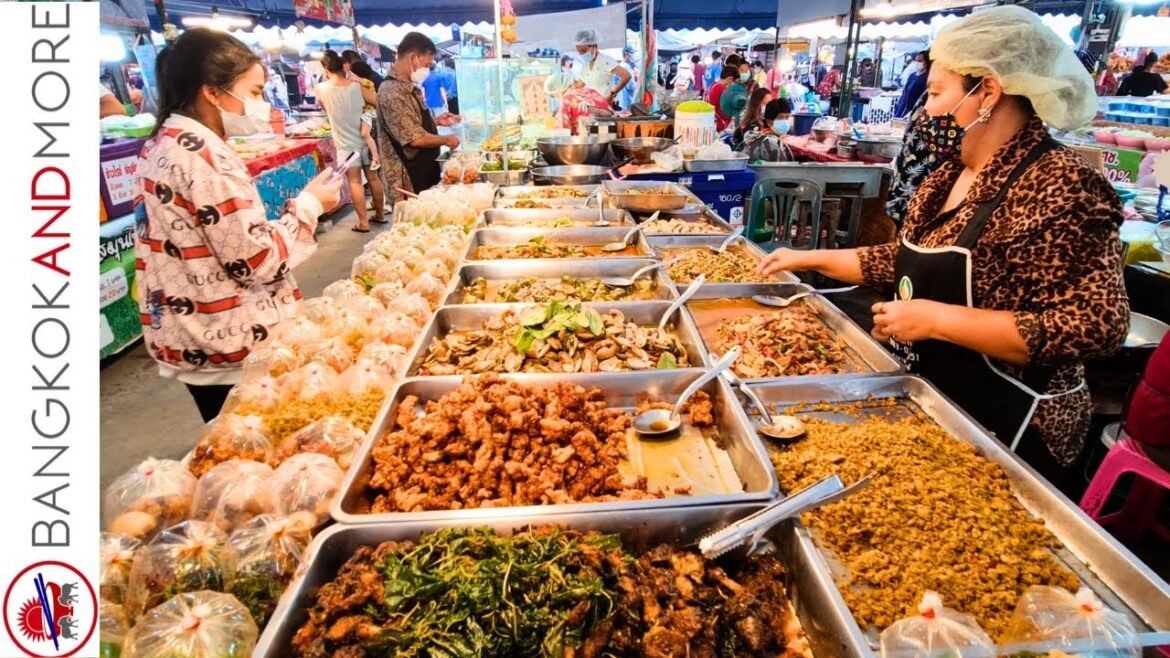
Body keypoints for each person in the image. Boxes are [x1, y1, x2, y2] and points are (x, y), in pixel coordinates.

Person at [758, 6, 1128, 486]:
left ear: (988, 92)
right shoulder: (947, 176)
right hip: (937, 400)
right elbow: (909, 258)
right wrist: (810, 258)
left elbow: (1095, 325)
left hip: (1012, 428)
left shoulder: (1060, 183)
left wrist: (937, 320)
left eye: (935, 93)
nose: (924, 110)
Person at [134, 28, 341, 421]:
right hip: (226, 337)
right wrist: (311, 206)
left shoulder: (163, 141)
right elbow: (255, 259)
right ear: (212, 92)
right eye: (255, 92)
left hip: (190, 332)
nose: (262, 105)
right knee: (254, 441)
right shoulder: (204, 155)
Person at [377, 31, 460, 204]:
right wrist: (446, 139)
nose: (428, 69)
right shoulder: (392, 91)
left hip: (423, 170)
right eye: (427, 64)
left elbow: (413, 124)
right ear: (413, 57)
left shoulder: (409, 87)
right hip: (407, 179)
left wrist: (436, 122)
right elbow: (414, 138)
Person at [317, 50, 385, 232]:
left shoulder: (321, 89)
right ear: (343, 67)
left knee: (355, 182)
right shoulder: (357, 87)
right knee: (373, 177)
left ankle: (363, 222)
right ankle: (379, 214)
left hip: (345, 146)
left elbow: (322, 106)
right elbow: (380, 102)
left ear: (325, 69)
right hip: (366, 140)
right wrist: (367, 117)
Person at [572, 29, 630, 108]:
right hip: (593, 107)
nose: (582, 54)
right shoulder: (585, 65)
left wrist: (612, 94)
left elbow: (626, 76)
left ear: (594, 46)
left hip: (606, 107)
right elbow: (580, 84)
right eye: (579, 51)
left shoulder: (605, 61)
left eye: (584, 50)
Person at [742, 98, 795, 162]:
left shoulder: (773, 137)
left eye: (787, 117)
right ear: (769, 122)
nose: (785, 121)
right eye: (780, 118)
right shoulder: (769, 142)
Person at [895, 50, 930, 118]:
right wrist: (898, 108)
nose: (917, 63)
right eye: (916, 60)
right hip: (904, 107)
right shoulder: (912, 76)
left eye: (920, 61)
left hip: (916, 111)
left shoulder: (928, 77)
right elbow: (904, 94)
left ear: (926, 62)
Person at [705, 65, 738, 131]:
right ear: (730, 79)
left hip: (711, 122)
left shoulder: (713, 85)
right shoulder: (721, 89)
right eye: (734, 82)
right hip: (720, 125)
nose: (734, 84)